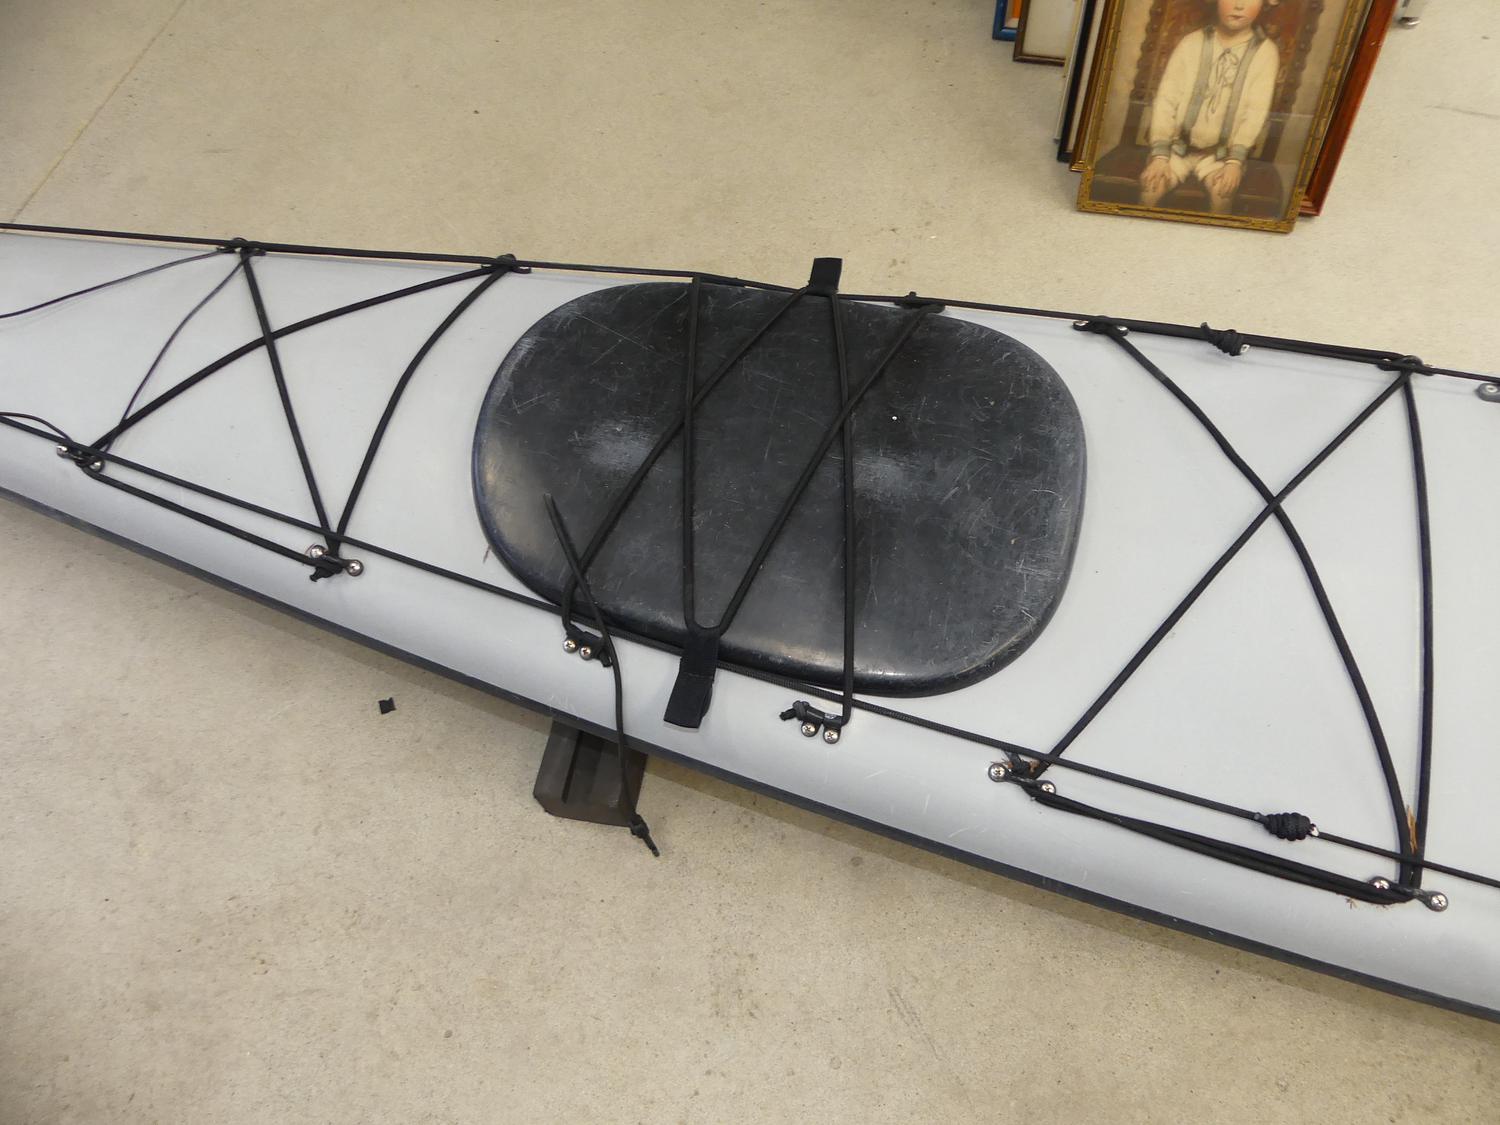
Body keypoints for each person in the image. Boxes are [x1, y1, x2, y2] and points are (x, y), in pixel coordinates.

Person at [1139, 0, 1281, 214]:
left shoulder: (1265, 52)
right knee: (1151, 187)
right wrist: (1160, 156)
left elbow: (1255, 113)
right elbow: (1166, 100)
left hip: (1222, 155)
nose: (1239, 5)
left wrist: (1235, 161)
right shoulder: (1191, 43)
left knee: (1222, 193)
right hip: (1176, 148)